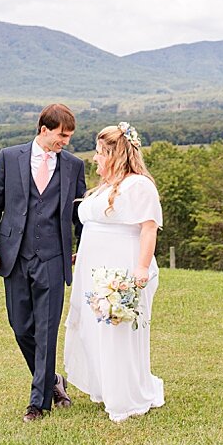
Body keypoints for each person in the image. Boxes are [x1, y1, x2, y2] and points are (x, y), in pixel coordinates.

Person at [0, 102, 88, 422]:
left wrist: (84, 247)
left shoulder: (73, 165)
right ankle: (52, 380)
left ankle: (37, 403)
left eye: (69, 136)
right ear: (44, 130)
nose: (65, 141)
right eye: (61, 135)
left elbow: (79, 215)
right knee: (21, 326)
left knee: (46, 330)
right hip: (15, 256)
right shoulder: (9, 157)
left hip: (54, 258)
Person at [64, 121, 165, 422]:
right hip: (91, 270)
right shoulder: (105, 188)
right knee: (96, 330)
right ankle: (107, 388)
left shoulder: (140, 186)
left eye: (99, 152)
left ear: (114, 154)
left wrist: (141, 269)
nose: (94, 158)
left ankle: (126, 397)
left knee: (117, 332)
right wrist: (80, 254)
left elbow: (148, 228)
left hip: (121, 271)